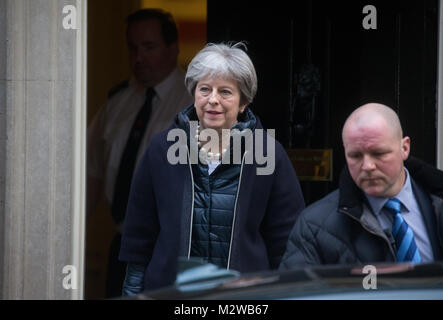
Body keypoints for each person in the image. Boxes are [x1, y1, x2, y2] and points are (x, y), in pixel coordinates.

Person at [119, 42, 306, 295]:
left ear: (243, 102)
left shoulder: (268, 153)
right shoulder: (161, 149)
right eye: (204, 89)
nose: (213, 100)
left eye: (226, 92)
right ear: (194, 94)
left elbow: (286, 241)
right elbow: (139, 236)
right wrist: (132, 293)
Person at [87, 9, 193, 298]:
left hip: (172, 248)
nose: (138, 57)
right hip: (122, 245)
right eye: (132, 48)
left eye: (149, 47)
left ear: (173, 48)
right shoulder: (117, 103)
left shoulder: (194, 104)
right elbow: (90, 176)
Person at [280, 103, 443, 269]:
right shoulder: (314, 226)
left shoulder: (436, 204)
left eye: (378, 153)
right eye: (355, 156)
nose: (367, 166)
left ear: (404, 148)